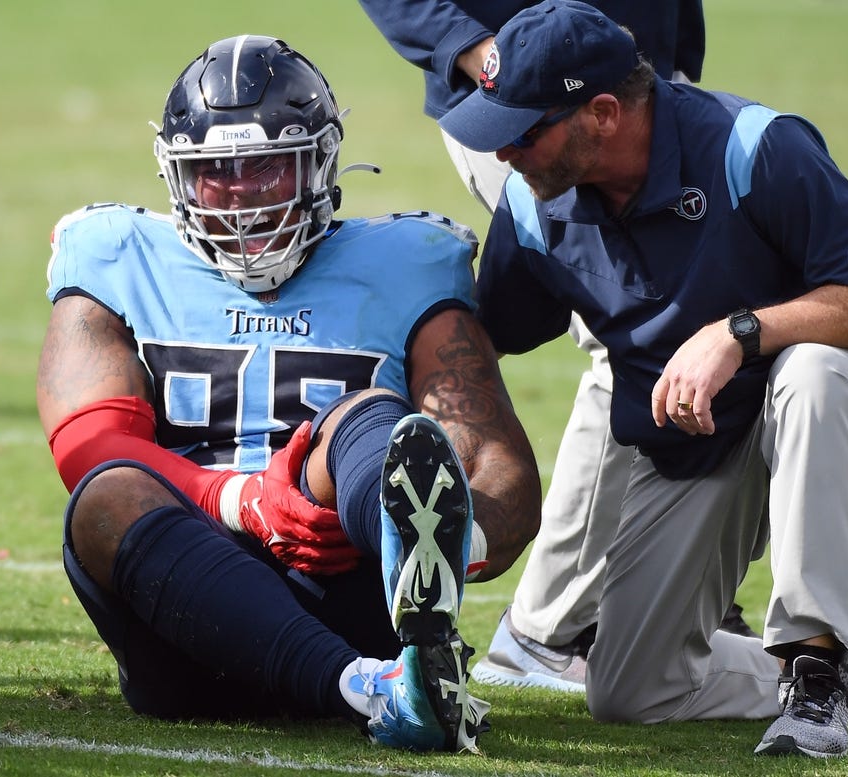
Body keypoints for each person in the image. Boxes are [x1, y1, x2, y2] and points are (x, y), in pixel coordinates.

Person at [438, 0, 848, 758]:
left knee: (812, 371)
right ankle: (826, 667)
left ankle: (816, 665)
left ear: (603, 113)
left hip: (837, 392)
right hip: (699, 436)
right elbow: (485, 338)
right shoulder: (534, 208)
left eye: (524, 131)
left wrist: (740, 332)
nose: (504, 153)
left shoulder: (753, 146)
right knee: (631, 689)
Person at [35, 34, 542, 754]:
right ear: (175, 175)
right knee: (105, 495)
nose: (240, 193)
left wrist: (451, 546)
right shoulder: (114, 253)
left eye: (266, 167)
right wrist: (247, 502)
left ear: (320, 163)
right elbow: (92, 447)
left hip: (347, 579)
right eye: (216, 172)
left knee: (371, 418)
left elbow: (498, 464)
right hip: (180, 606)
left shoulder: (408, 263)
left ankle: (408, 570)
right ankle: (374, 689)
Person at [358, 0, 755, 696]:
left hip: (637, 92)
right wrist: (471, 47)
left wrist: (672, 67)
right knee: (631, 337)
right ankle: (543, 631)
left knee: (696, 325)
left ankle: (680, 589)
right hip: (527, 100)